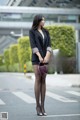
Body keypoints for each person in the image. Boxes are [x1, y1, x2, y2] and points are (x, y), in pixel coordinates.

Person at [29, 14, 52, 116]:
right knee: (38, 78)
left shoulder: (46, 32)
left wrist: (47, 56)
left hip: (45, 58)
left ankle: (43, 106)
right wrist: (39, 56)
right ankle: (37, 106)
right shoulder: (32, 32)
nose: (44, 21)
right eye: (42, 20)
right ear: (38, 21)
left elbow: (49, 45)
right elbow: (33, 45)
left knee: (44, 79)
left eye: (44, 20)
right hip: (36, 58)